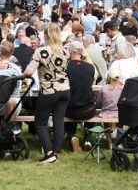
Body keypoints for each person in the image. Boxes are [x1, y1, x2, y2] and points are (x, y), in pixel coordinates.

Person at [24, 22, 70, 164]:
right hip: (65, 89)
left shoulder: (41, 51)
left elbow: (29, 71)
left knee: (40, 122)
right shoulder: (65, 51)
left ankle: (49, 153)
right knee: (58, 120)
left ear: (46, 36)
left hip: (49, 90)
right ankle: (56, 151)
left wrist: (24, 73)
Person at [64, 41, 97, 153]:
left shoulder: (65, 67)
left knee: (66, 105)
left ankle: (72, 135)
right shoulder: (90, 67)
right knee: (90, 103)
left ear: (71, 51)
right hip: (88, 110)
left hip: (71, 111)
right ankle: (87, 138)